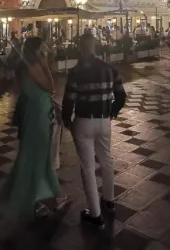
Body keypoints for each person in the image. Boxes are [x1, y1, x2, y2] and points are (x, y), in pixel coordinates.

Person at [0, 37, 68, 220]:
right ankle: (40, 198)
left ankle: (44, 196)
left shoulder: (23, 66)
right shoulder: (33, 66)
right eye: (43, 48)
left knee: (35, 154)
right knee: (39, 154)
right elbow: (51, 87)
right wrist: (45, 66)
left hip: (33, 111)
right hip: (37, 114)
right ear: (36, 50)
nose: (45, 51)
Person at [62, 34, 127, 229]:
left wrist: (67, 119)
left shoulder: (76, 71)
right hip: (104, 121)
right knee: (106, 160)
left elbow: (69, 99)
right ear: (95, 47)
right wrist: (112, 111)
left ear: (80, 48)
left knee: (88, 168)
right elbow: (121, 95)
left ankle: (95, 214)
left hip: (83, 121)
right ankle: (109, 200)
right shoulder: (109, 69)